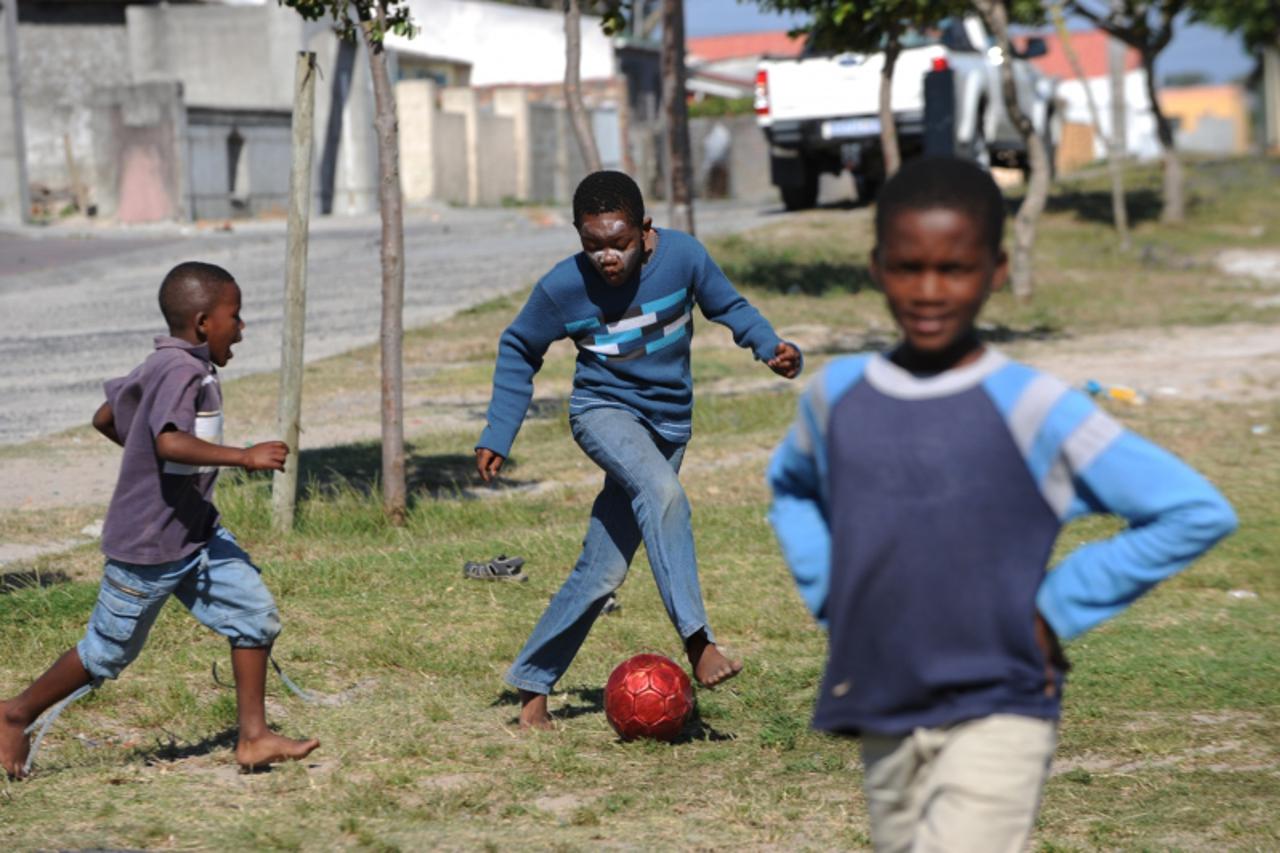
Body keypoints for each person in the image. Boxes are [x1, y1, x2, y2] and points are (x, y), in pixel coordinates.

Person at [766, 157, 1237, 852]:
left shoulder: (1034, 405)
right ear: (876, 266)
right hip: (886, 700)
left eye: (955, 269)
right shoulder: (841, 398)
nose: (929, 290)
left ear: (997, 269)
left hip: (1002, 703)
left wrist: (1056, 607)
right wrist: (832, 591)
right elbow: (792, 486)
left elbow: (1192, 509)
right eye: (907, 266)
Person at [475, 170, 802, 730]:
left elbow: (731, 306)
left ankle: (532, 688)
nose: (606, 257)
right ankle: (699, 642)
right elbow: (518, 346)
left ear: (645, 231)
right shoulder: (563, 287)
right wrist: (498, 433)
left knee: (602, 570)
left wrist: (770, 346)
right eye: (592, 243)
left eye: (619, 242)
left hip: (670, 426)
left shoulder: (684, 258)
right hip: (602, 413)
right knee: (663, 494)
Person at [0, 262, 319, 778]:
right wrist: (243, 456)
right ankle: (13, 715)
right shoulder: (180, 370)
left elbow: (107, 416)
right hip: (148, 542)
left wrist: (142, 457)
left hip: (196, 530)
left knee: (254, 614)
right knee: (108, 652)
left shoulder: (166, 363)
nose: (241, 328)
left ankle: (255, 738)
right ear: (202, 322)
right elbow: (168, 440)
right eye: (234, 317)